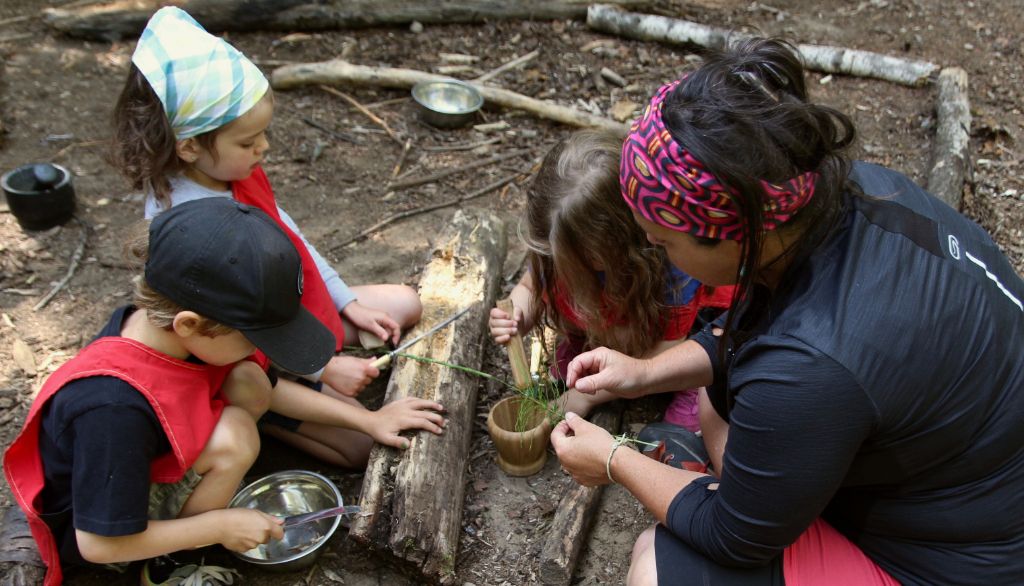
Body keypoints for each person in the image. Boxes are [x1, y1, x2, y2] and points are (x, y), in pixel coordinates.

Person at [550, 38, 1024, 586]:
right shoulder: (844, 195)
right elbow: (758, 332)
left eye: (663, 242)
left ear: (734, 232)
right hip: (973, 485)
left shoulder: (810, 367)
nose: (657, 251)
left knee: (655, 563)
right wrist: (646, 372)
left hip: (967, 563)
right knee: (716, 406)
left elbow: (733, 538)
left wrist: (613, 460)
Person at [110, 7, 445, 467]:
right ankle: (266, 413)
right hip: (240, 351)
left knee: (404, 303)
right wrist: (323, 367)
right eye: (248, 142)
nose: (262, 149)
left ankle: (310, 364)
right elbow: (232, 337)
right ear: (189, 145)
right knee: (361, 449)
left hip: (282, 309)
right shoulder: (187, 225)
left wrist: (347, 302)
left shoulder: (230, 172)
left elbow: (291, 234)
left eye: (262, 135)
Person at [2, 198, 340, 586]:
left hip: (142, 465)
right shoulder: (112, 410)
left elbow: (265, 389)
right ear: (190, 324)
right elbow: (98, 544)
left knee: (248, 381)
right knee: (236, 435)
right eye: (252, 338)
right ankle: (168, 562)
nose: (258, 350)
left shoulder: (163, 328)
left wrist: (369, 422)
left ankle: (198, 505)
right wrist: (218, 526)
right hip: (104, 536)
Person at [488, 130, 733, 430]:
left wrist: (586, 396)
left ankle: (690, 386)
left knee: (685, 410)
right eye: (554, 254)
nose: (560, 262)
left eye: (574, 257)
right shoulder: (557, 248)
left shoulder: (673, 265)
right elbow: (530, 286)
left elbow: (669, 347)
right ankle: (595, 346)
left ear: (622, 241)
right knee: (570, 362)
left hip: (672, 342)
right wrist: (519, 313)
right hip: (612, 321)